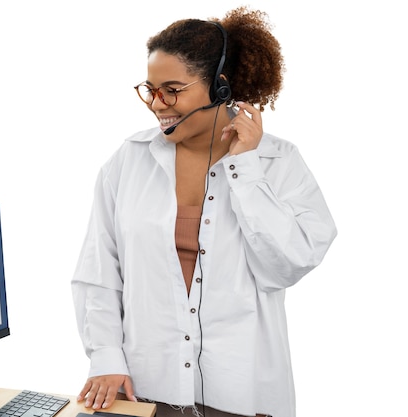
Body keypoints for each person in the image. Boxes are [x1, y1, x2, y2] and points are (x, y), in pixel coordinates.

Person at [70, 6, 337, 417]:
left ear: (221, 87)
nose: (157, 104)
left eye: (172, 89)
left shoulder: (278, 162)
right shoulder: (128, 161)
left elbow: (289, 264)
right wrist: (105, 355)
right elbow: (99, 271)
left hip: (241, 392)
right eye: (150, 88)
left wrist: (245, 168)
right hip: (145, 386)